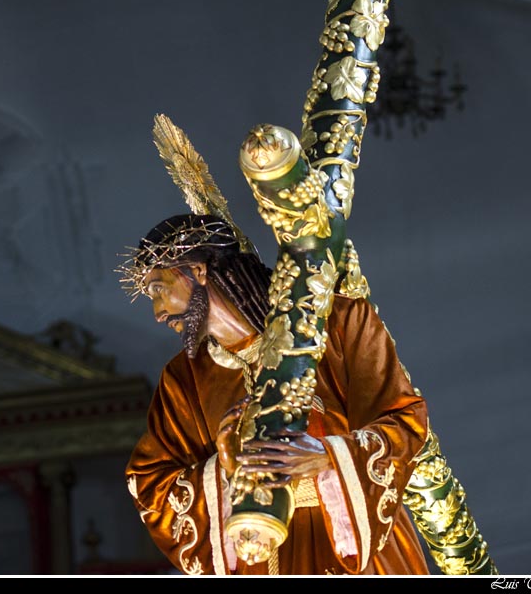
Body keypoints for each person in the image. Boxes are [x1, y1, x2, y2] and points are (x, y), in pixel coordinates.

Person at [121, 213, 430, 575]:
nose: (158, 313)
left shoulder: (337, 322)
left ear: (198, 270)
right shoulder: (183, 378)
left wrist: (329, 457)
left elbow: (405, 421)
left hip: (355, 547)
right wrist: (226, 470)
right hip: (259, 552)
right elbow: (149, 484)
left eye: (159, 289)